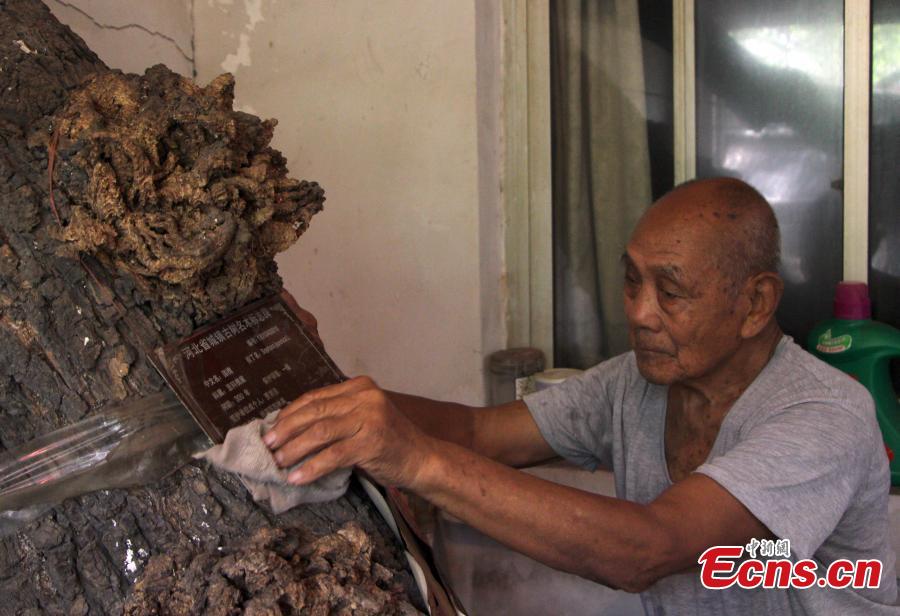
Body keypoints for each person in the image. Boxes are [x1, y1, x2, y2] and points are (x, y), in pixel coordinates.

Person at [263, 178, 898, 614]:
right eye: (630, 283)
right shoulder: (635, 383)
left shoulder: (821, 416)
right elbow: (481, 435)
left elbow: (649, 548)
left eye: (670, 291)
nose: (641, 313)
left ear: (755, 303)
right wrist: (320, 384)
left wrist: (415, 461)